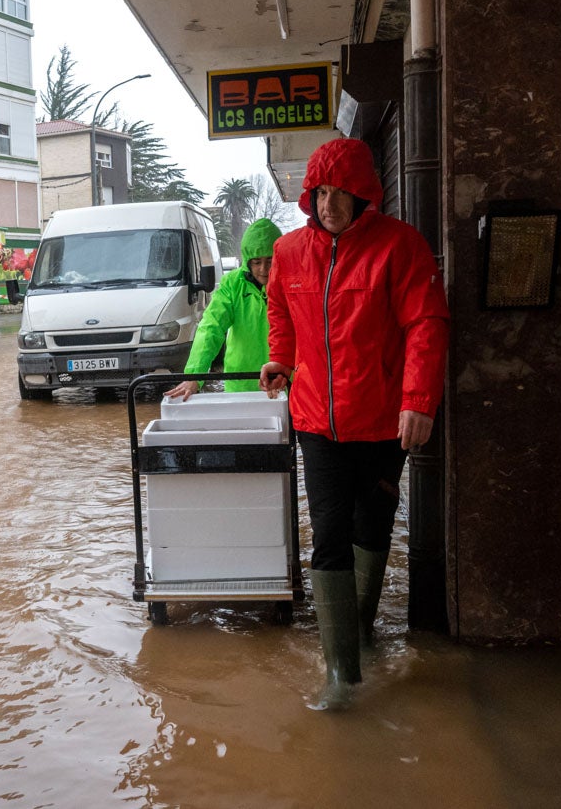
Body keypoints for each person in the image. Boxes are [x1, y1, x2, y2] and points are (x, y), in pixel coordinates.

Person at [259, 137, 449, 711]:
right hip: (316, 420)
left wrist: (419, 399)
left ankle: (362, 633)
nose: (330, 204)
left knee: (374, 525)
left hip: (384, 421)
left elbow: (427, 322)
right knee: (329, 534)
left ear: (366, 194)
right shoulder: (289, 252)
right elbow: (279, 310)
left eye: (342, 193)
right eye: (320, 193)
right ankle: (343, 674)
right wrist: (280, 358)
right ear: (308, 194)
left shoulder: (401, 247)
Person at [165, 218, 282, 400]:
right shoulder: (232, 284)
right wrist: (195, 375)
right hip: (241, 384)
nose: (263, 269)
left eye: (270, 261)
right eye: (257, 262)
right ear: (247, 261)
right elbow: (211, 327)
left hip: (284, 382)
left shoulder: (292, 284)